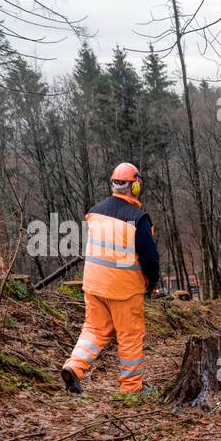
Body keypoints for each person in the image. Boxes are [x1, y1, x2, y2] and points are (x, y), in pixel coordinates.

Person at [60, 162, 160, 395]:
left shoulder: (95, 212)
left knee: (94, 330)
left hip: (94, 285)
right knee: (130, 336)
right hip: (123, 289)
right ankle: (131, 389)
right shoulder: (138, 218)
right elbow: (150, 257)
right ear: (134, 187)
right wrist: (152, 282)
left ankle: (74, 366)